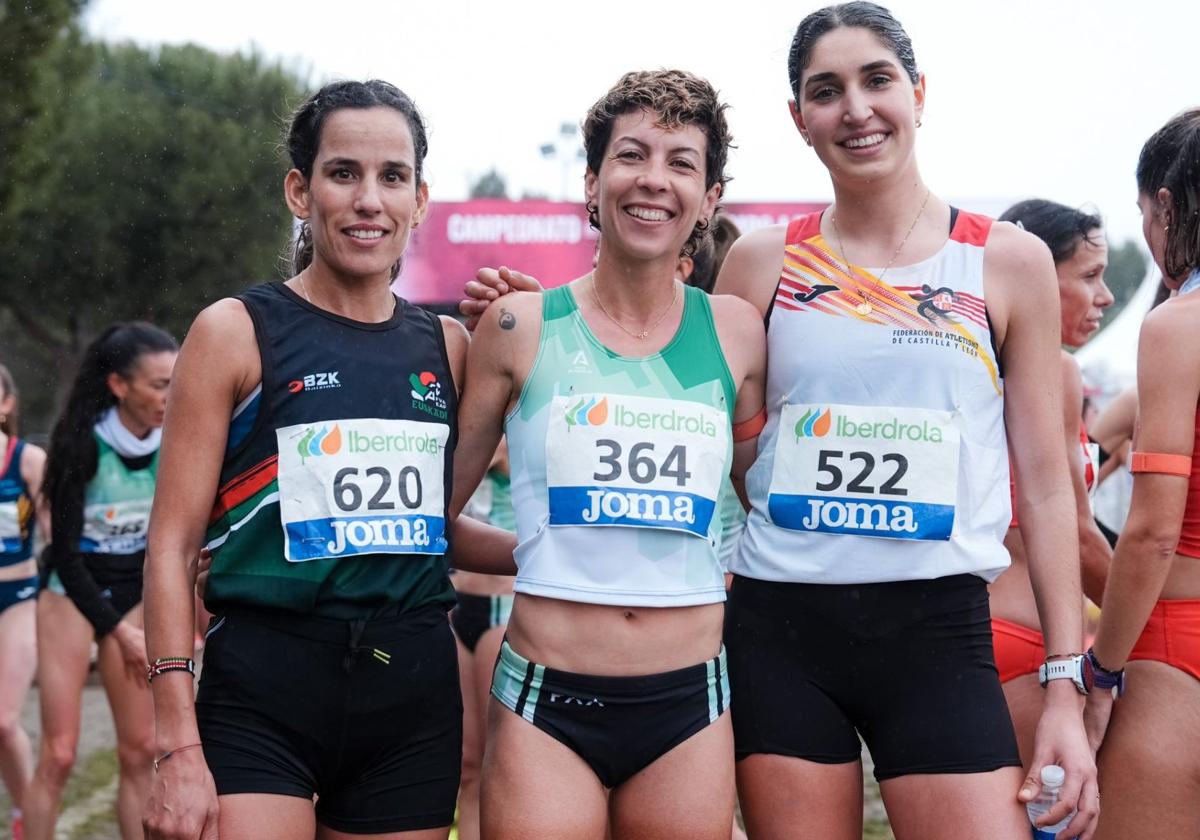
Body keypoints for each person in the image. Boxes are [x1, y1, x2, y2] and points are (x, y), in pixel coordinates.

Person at [713, 5, 1096, 838]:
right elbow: (713, 431)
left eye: (877, 80)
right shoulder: (760, 263)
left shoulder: (1007, 259)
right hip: (783, 628)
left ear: (918, 93)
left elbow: (1047, 486)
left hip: (939, 632)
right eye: (827, 90)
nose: (855, 109)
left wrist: (1065, 681)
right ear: (798, 119)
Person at [140, 80, 513, 840]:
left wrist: (528, 324)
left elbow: (428, 527)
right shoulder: (234, 331)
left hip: (409, 694)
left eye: (392, 176)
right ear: (300, 192)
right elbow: (173, 547)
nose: (369, 199)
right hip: (262, 692)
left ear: (421, 200)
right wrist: (175, 743)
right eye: (344, 173)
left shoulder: (449, 349)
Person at [450, 69, 766, 839]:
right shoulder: (520, 325)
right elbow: (428, 517)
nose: (652, 181)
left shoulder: (736, 331)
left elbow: (770, 508)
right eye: (631, 156)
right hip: (544, 702)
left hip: (689, 705)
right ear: (591, 183)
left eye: (681, 163)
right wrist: (541, 551)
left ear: (710, 198)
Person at [1085, 107, 1200, 839]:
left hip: (1177, 645)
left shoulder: (1177, 325)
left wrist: (1102, 670)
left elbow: (1155, 531)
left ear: (1165, 204)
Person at [24, 323, 177, 840]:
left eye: (176, 383)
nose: (170, 397)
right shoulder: (81, 446)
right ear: (120, 386)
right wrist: (119, 630)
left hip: (133, 590)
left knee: (140, 752)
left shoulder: (176, 442)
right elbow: (64, 557)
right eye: (159, 385)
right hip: (72, 591)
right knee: (60, 754)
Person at [988, 199, 1114, 763]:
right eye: (1090, 276)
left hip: (976, 633)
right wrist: (1149, 622)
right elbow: (1079, 534)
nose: (1105, 297)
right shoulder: (1057, 371)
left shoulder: (977, 365)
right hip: (1027, 640)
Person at [451, 440, 515, 840]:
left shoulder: (499, 437)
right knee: (467, 765)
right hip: (458, 602)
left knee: (497, 763)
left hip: (503, 607)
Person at [0, 364, 47, 840]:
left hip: (17, 595)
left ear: (6, 403)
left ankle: (24, 811)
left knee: (3, 720)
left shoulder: (28, 460)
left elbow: (58, 539)